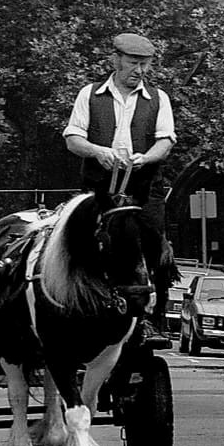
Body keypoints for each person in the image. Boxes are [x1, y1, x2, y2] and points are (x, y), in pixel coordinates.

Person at [62, 32, 177, 336]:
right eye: (132, 63)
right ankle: (75, 303)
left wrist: (145, 159)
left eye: (145, 64)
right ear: (115, 60)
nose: (139, 71)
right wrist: (98, 152)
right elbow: (73, 139)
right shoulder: (89, 94)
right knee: (81, 241)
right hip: (99, 189)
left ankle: (152, 316)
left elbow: (165, 143)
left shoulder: (158, 99)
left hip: (141, 189)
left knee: (154, 243)